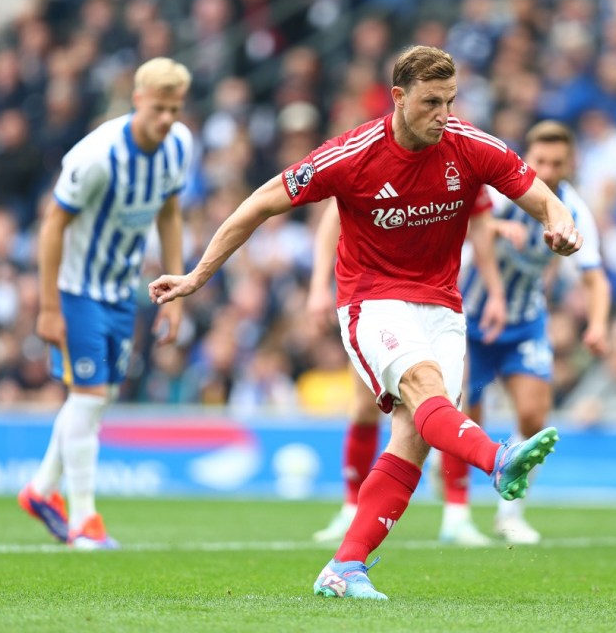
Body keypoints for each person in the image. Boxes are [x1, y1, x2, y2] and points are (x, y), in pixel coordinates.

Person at [149, 45, 580, 600]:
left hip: (444, 307)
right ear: (398, 98)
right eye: (430, 102)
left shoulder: (470, 146)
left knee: (415, 435)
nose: (442, 114)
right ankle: (497, 459)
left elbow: (541, 197)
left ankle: (345, 567)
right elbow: (258, 204)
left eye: (450, 101)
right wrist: (197, 276)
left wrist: (562, 223)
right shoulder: (351, 154)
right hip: (372, 300)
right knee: (425, 389)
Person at [19, 57, 192, 549]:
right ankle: (84, 519)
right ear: (137, 101)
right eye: (158, 108)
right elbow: (53, 224)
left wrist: (177, 290)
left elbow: (171, 211)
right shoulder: (95, 156)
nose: (166, 119)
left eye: (174, 109)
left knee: (97, 397)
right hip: (76, 290)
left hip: (120, 291)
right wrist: (49, 306)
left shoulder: (179, 145)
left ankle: (39, 491)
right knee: (91, 397)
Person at [440, 120, 611, 545]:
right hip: (470, 319)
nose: (548, 170)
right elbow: (459, 225)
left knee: (534, 417)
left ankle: (509, 515)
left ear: (570, 163)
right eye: (540, 161)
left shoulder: (572, 209)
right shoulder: (500, 193)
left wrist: (598, 324)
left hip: (525, 323)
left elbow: (595, 276)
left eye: (557, 162)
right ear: (526, 158)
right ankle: (456, 515)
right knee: (465, 422)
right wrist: (496, 228)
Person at [308, 192, 508, 546]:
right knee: (365, 406)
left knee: (445, 402)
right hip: (377, 298)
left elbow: (479, 225)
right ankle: (352, 509)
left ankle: (457, 514)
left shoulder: (466, 156)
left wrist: (495, 290)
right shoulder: (373, 153)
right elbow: (331, 217)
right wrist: (319, 285)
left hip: (438, 302)